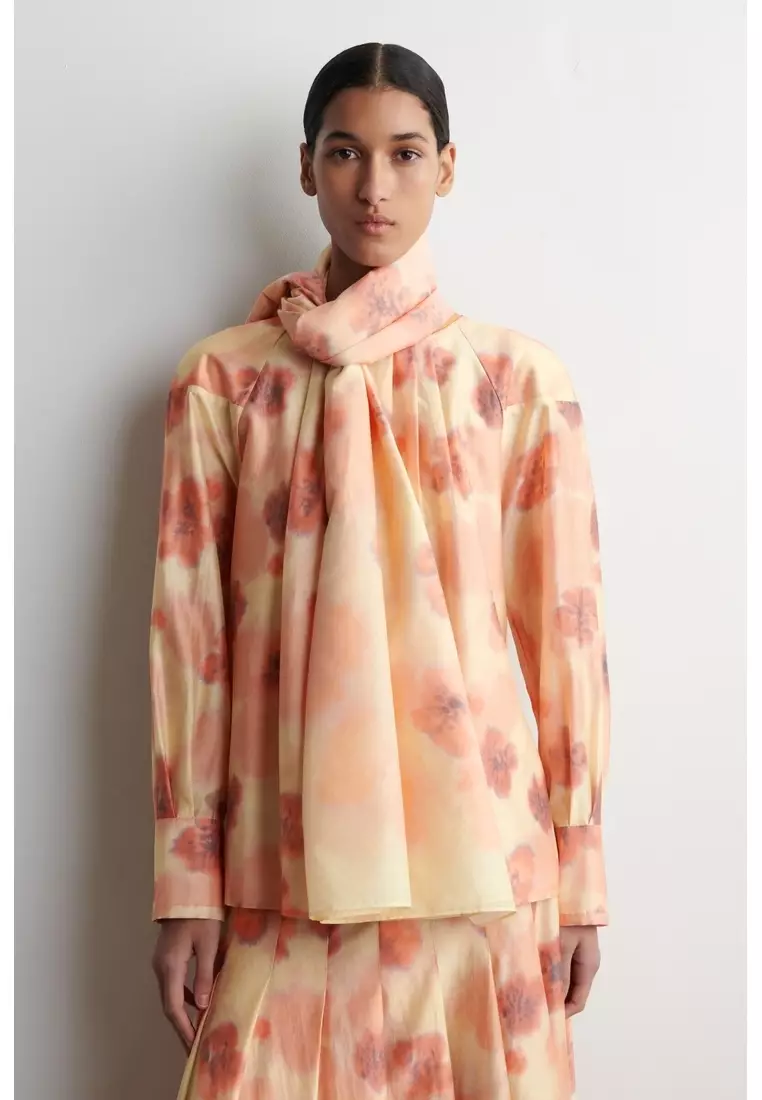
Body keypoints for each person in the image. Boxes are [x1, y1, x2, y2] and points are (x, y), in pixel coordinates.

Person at [149, 41, 610, 1100]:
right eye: (345, 151)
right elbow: (191, 649)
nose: (374, 185)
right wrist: (185, 885)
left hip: (486, 877)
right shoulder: (224, 382)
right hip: (278, 867)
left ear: (447, 167)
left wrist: (581, 880)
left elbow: (565, 638)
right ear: (305, 165)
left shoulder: (515, 381)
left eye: (405, 153)